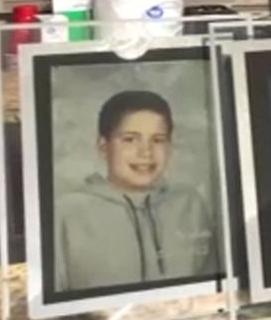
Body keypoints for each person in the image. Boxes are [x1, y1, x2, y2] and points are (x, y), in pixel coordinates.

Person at [53, 91, 216, 292]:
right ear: (103, 146)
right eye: (130, 139)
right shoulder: (66, 214)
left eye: (158, 140)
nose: (146, 152)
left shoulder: (190, 204)